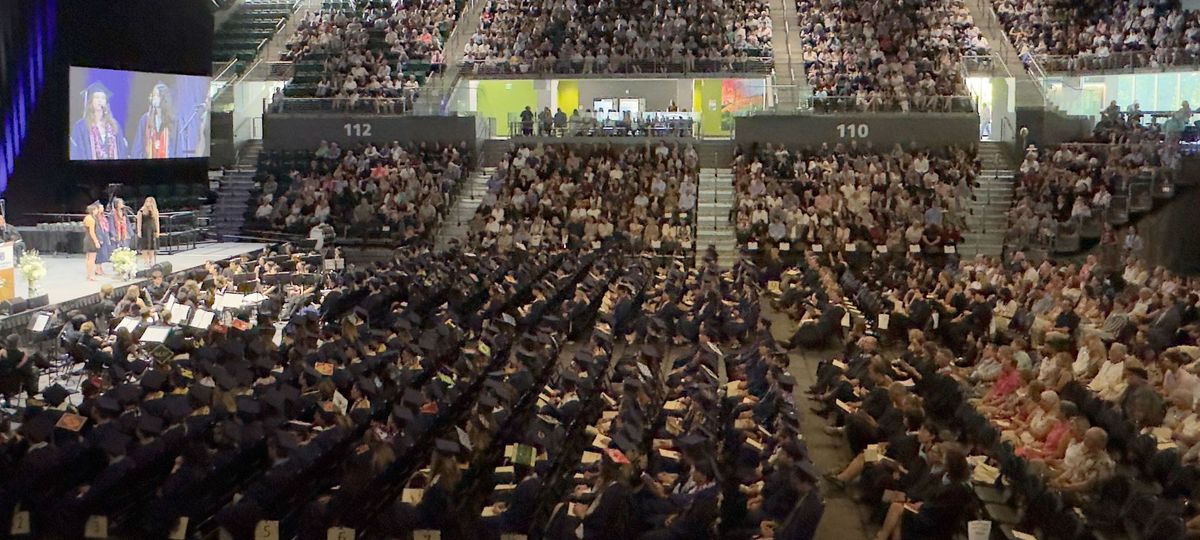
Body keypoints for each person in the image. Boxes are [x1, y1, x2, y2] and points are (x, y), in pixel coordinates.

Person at [70, 82, 128, 160]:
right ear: (90, 101)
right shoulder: (81, 127)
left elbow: (122, 151)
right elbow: (76, 153)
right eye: (96, 97)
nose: (100, 100)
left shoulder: (114, 126)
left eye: (103, 98)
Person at [131, 82, 179, 159]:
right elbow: (138, 147)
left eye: (157, 95)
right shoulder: (145, 119)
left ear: (164, 98)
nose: (154, 98)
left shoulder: (173, 121)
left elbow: (177, 148)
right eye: (153, 95)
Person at [137, 197, 160, 267]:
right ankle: (146, 261)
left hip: (152, 230)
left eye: (150, 202)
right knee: (145, 246)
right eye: (147, 201)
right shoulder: (141, 211)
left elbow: (157, 222)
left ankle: (151, 260)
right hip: (144, 229)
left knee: (152, 246)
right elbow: (139, 222)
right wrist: (139, 231)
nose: (148, 203)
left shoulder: (155, 211)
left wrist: (158, 231)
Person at [83, 203, 102, 281]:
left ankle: (88, 274)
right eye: (97, 209)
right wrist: (96, 241)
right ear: (93, 210)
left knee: (88, 258)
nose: (97, 211)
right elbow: (92, 232)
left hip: (87, 238)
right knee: (92, 258)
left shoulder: (87, 217)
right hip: (91, 240)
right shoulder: (91, 219)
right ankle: (91, 275)